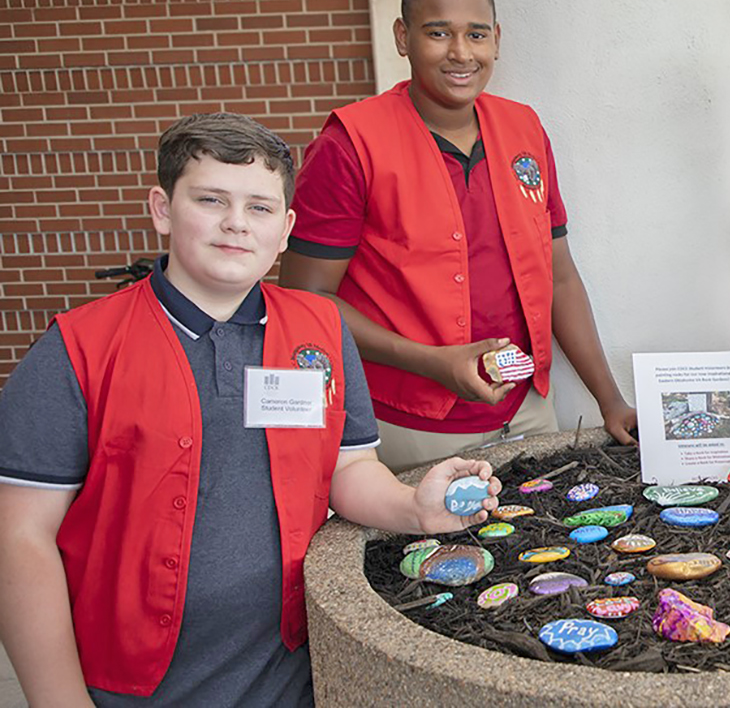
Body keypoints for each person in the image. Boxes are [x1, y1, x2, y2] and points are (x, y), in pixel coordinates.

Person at [0, 114, 503, 706]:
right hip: (130, 688)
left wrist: (411, 507)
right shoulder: (77, 349)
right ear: (162, 208)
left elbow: (345, 467)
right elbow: (20, 536)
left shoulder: (320, 329)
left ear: (286, 227)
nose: (236, 223)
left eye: (260, 208)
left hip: (292, 676)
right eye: (211, 200)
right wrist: (58, 699)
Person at [280, 0, 636, 473]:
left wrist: (609, 400)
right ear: (404, 37)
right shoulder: (350, 144)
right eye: (438, 33)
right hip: (410, 426)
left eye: (475, 34)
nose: (460, 53)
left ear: (496, 38)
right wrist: (433, 362)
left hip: (527, 411)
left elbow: (557, 278)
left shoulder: (524, 130)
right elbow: (307, 301)